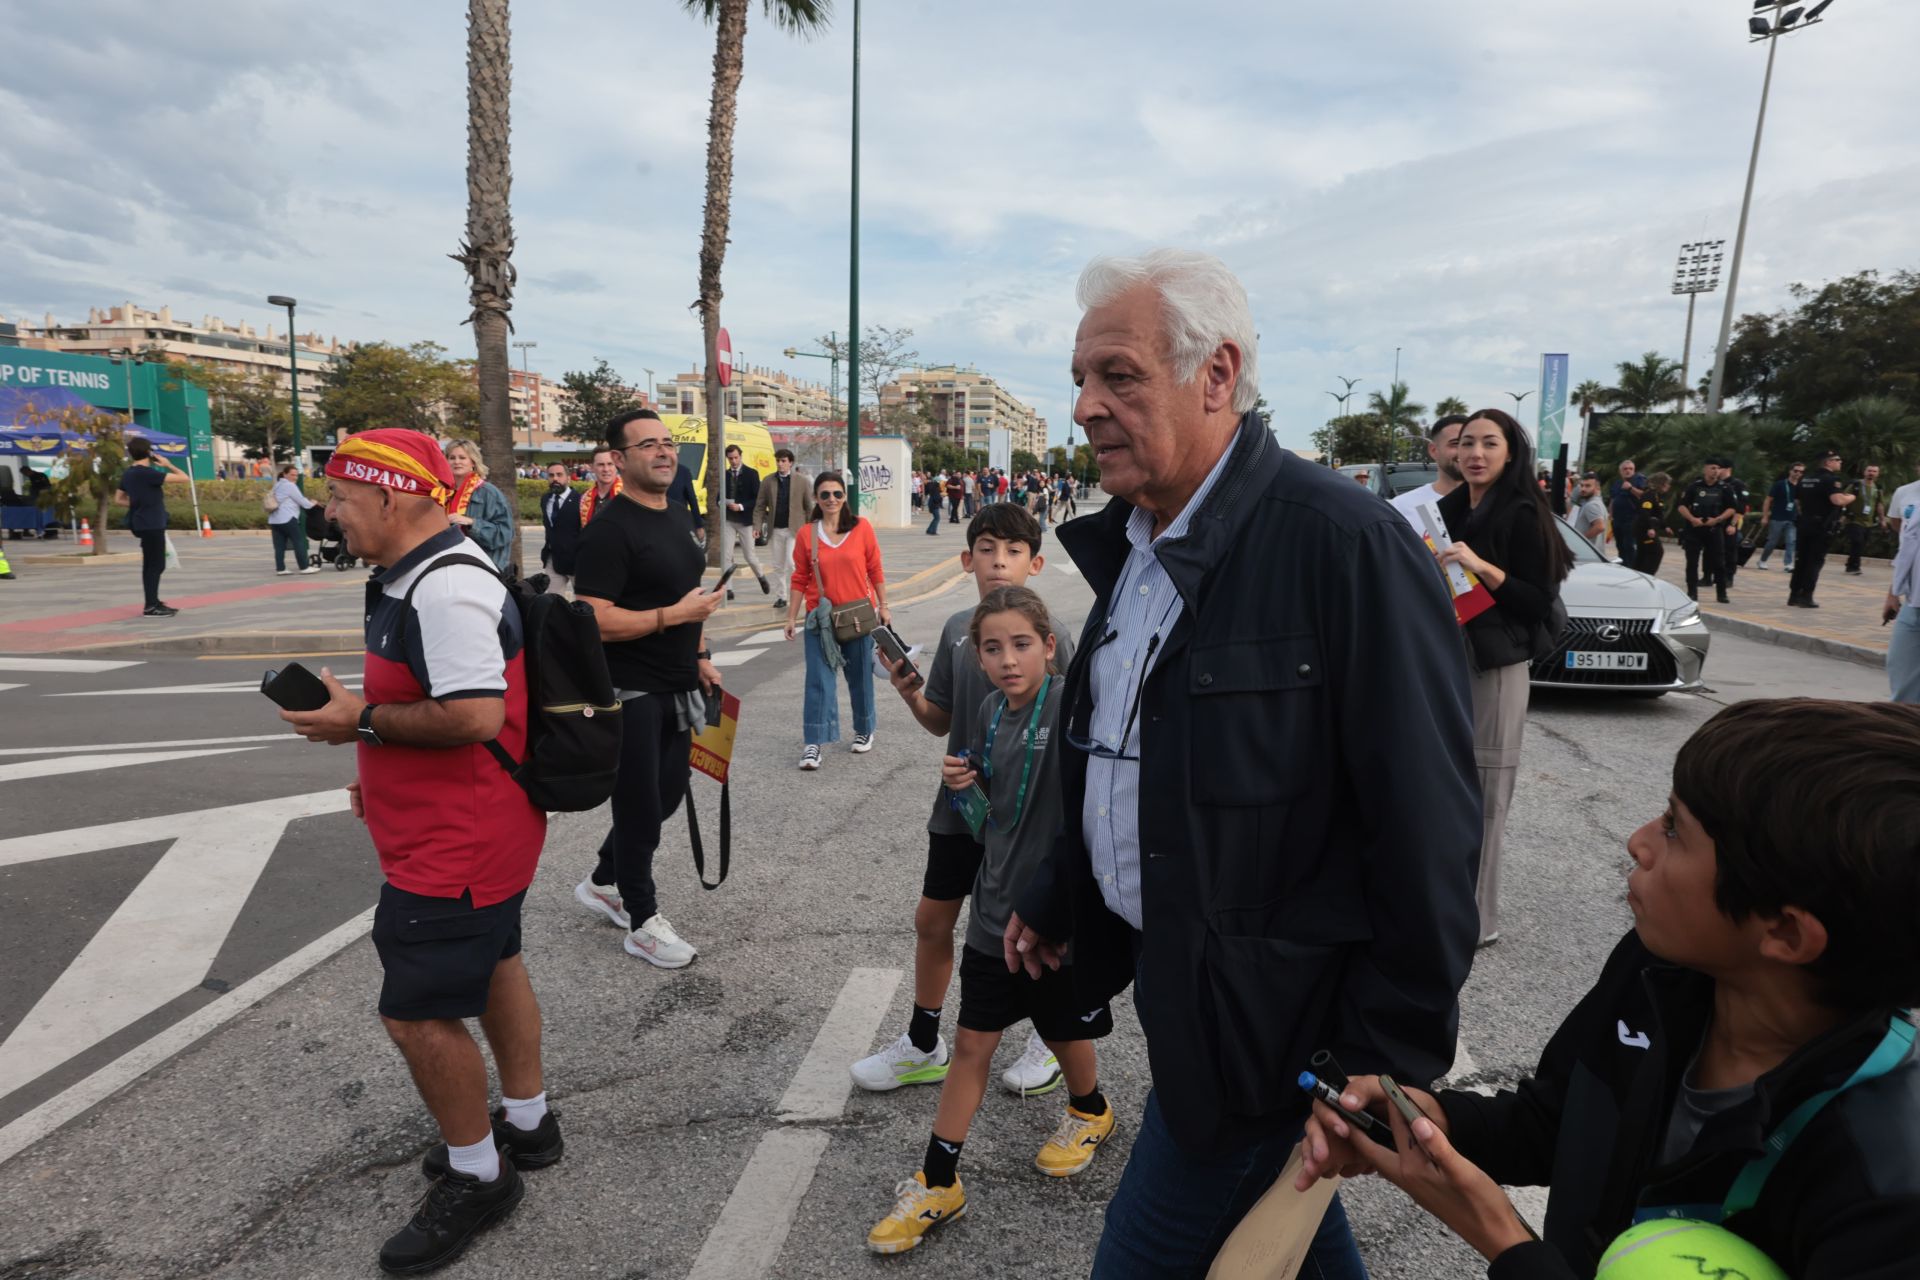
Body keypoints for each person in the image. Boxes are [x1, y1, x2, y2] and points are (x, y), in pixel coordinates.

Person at [1008, 250, 1481, 1277]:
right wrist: (1059, 889)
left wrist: (1384, 1055)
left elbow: (1429, 823)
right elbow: (1119, 750)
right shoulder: (1135, 541)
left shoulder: (1342, 544)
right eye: (1080, 378)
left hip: (1273, 1032)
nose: (1085, 405)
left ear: (1215, 374)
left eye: (1118, 375)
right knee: (1287, 1240)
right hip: (1192, 996)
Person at [1298, 698, 1920, 1280]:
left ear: (1784, 931)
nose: (1639, 841)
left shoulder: (1884, 1186)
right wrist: (1441, 1120)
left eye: (1675, 829)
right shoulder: (1656, 973)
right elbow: (1556, 1122)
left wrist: (1501, 1239)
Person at [279, 428, 559, 1275]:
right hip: (466, 826)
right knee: (499, 962)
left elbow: (473, 716)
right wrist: (374, 751)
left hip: (458, 842)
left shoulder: (445, 588)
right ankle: (527, 1121)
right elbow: (438, 700)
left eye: (341, 498)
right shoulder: (411, 575)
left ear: (393, 498)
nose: (331, 514)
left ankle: (481, 1176)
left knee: (413, 1013)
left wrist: (354, 721)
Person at [866, 588, 1116, 1255]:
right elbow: (989, 824)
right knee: (973, 1044)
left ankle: (1091, 1112)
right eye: (993, 648)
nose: (1008, 660)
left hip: (1051, 914)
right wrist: (964, 790)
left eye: (1022, 645)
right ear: (976, 657)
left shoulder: (1068, 704)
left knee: (1062, 1027)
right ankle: (940, 1179)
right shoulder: (984, 714)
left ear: (1050, 646)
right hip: (992, 913)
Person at [854, 503, 1074, 1099]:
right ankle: (924, 1044)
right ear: (966, 558)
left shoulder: (1055, 636)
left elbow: (1076, 735)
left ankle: (1048, 1040)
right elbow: (938, 721)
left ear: (1036, 561)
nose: (998, 562)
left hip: (1031, 820)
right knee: (933, 919)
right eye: (986, 549)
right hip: (961, 805)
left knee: (1036, 931)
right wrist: (908, 692)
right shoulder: (957, 631)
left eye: (1012, 551)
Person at [571, 409, 725, 969]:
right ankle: (641, 920)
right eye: (648, 446)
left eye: (667, 444)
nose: (663, 453)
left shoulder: (680, 513)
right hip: (627, 688)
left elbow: (690, 595)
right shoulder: (610, 530)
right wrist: (670, 617)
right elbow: (592, 618)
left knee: (666, 792)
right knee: (638, 806)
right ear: (618, 458)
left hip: (678, 682)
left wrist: (701, 653)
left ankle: (602, 880)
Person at [1439, 409, 1576, 946]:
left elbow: (1537, 600)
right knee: (1444, 786)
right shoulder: (1445, 510)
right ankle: (1439, 905)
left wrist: (1481, 567)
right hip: (1444, 656)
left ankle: (1477, 919)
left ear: (1510, 453)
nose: (1475, 453)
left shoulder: (1523, 512)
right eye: (1466, 443)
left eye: (1488, 443)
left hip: (1495, 665)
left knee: (1487, 793)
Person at [785, 471, 891, 770]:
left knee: (859, 678)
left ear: (845, 497)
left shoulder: (862, 528)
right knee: (818, 681)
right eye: (825, 495)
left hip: (858, 615)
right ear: (816, 499)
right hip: (820, 619)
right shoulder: (808, 533)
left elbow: (875, 569)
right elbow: (799, 577)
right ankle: (813, 744)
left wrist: (884, 606)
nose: (832, 499)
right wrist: (791, 617)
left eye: (837, 494)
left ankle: (864, 729)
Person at [115, 435, 185, 617]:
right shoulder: (149, 474)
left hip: (140, 523)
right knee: (156, 565)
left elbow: (118, 499)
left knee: (151, 565)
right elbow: (183, 478)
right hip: (153, 523)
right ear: (149, 452)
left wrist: (138, 504)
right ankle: (151, 605)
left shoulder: (128, 473)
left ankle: (153, 601)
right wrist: (167, 464)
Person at [1789, 449, 1856, 609]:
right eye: (1837, 459)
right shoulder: (1830, 480)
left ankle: (1794, 595)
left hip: (1805, 524)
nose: (1840, 462)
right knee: (1814, 561)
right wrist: (1852, 497)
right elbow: (1837, 500)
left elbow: (1798, 502)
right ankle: (1807, 596)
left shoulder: (1805, 479)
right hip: (1821, 527)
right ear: (1828, 462)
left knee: (1801, 560)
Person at [752, 448, 811, 612]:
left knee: (793, 563)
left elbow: (809, 507)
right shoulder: (768, 481)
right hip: (776, 528)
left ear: (790, 463)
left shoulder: (802, 481)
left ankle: (798, 595)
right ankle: (781, 597)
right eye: (778, 461)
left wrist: (811, 529)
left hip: (795, 529)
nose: (780, 464)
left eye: (783, 461)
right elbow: (760, 506)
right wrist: (757, 526)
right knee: (778, 565)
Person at [443, 440, 514, 573]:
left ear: (473, 462)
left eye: (462, 458)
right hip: (450, 566)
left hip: (483, 568)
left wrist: (471, 522)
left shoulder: (488, 492)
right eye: (452, 458)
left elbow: (504, 534)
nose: (456, 462)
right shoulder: (441, 493)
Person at [1388, 414, 1469, 527]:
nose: (1464, 452)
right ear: (1434, 450)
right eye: (1455, 444)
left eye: (1469, 444)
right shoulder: (1402, 506)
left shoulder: (1496, 505)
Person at [1883, 463, 1920, 703]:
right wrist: (1893, 593)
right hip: (1913, 603)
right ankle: (1906, 733)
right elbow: (1905, 548)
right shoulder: (1906, 493)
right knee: (1901, 673)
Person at [1677, 458, 1736, 603]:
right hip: (1695, 529)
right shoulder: (1694, 487)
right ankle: (1692, 593)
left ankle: (1721, 594)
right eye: (1712, 468)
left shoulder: (1725, 488)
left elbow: (1732, 508)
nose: (1715, 471)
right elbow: (1682, 506)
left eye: (1718, 468)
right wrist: (1692, 519)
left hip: (1714, 529)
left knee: (1719, 563)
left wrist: (1718, 519)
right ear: (1705, 469)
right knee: (1692, 563)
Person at [720, 443, 771, 600]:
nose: (733, 461)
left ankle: (761, 577)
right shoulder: (725, 475)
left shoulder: (751, 474)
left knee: (750, 556)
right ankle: (728, 589)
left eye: (735, 457)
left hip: (745, 521)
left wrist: (741, 506)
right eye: (730, 459)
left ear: (740, 456)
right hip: (729, 520)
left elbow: (757, 499)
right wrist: (722, 503)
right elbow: (717, 497)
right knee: (726, 555)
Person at [268, 463, 321, 576]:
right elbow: (302, 502)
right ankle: (304, 567)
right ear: (285, 474)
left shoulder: (277, 485)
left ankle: (281, 569)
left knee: (279, 546)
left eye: (296, 475)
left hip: (274, 520)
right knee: (299, 542)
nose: (295, 478)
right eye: (292, 475)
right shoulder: (290, 486)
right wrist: (313, 503)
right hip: (287, 518)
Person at [538, 462, 581, 596]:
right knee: (553, 603)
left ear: (568, 478)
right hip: (553, 559)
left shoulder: (580, 500)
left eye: (559, 475)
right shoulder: (545, 499)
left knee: (583, 603)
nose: (555, 478)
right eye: (551, 475)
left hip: (577, 561)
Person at [1754, 463, 1802, 571]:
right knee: (1772, 541)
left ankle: (1788, 564)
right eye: (1796, 471)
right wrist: (1765, 516)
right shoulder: (1780, 484)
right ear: (1790, 471)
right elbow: (1768, 500)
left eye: (1801, 472)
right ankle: (1762, 560)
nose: (1798, 473)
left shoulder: (1800, 486)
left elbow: (1798, 503)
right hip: (1777, 517)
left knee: (1791, 541)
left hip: (1792, 519)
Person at [1717, 456, 1752, 593]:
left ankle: (1728, 576)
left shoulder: (1737, 485)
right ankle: (1708, 575)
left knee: (1730, 550)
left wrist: (1733, 524)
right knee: (1713, 550)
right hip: (1716, 520)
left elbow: (1741, 507)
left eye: (1720, 468)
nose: (1717, 471)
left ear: (1727, 469)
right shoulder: (1716, 484)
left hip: (1729, 522)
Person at [1845, 463, 1883, 575]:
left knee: (1861, 544)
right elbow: (1844, 497)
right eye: (1869, 470)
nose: (1871, 473)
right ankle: (1854, 567)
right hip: (1854, 519)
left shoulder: (1877, 488)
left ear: (1878, 474)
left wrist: (1883, 520)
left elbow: (1879, 504)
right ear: (1864, 472)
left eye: (1874, 471)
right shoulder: (1856, 485)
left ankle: (1850, 564)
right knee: (1857, 541)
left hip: (1869, 522)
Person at [1609, 459, 1647, 569]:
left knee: (1629, 545)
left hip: (1632, 519)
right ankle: (1623, 566)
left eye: (1631, 469)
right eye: (1625, 469)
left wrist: (1631, 488)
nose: (1628, 471)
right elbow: (1613, 500)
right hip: (1617, 520)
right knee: (1620, 545)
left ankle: (1633, 568)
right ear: (1620, 471)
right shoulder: (1617, 483)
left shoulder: (1639, 479)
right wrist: (1610, 515)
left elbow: (1645, 496)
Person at [1634, 472, 1673, 576]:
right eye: (1667, 484)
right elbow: (1645, 513)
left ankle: (1638, 575)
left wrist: (1665, 527)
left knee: (1642, 554)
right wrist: (1649, 528)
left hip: (1648, 529)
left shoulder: (1656, 496)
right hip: (1645, 530)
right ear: (1661, 484)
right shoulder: (1649, 495)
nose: (1668, 486)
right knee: (1656, 552)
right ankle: (1647, 575)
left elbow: (1658, 514)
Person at [669, 461, 703, 542]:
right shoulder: (683, 471)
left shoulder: (683, 471)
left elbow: (692, 499)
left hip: (679, 522)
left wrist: (698, 525)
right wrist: (699, 526)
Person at [1573, 471, 1606, 544]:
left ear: (1597, 487)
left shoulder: (1592, 505)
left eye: (1588, 486)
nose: (1583, 489)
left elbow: (1600, 527)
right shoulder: (1596, 502)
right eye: (1582, 485)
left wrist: (1580, 540)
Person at [926, 471, 945, 535]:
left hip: (932, 504)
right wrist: (941, 497)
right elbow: (936, 499)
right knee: (937, 518)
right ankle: (933, 531)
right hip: (934, 505)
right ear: (938, 482)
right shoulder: (936, 488)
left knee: (935, 518)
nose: (941, 483)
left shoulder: (933, 487)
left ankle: (929, 530)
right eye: (940, 481)